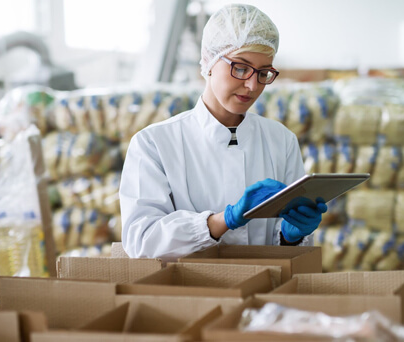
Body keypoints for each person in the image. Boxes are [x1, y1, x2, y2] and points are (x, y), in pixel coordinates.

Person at [119, 4, 327, 259]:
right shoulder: (154, 144)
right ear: (208, 60)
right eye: (240, 67)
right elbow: (140, 241)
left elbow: (289, 254)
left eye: (263, 73)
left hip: (265, 291)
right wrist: (222, 221)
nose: (252, 85)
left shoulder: (281, 141)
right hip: (188, 294)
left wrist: (290, 237)